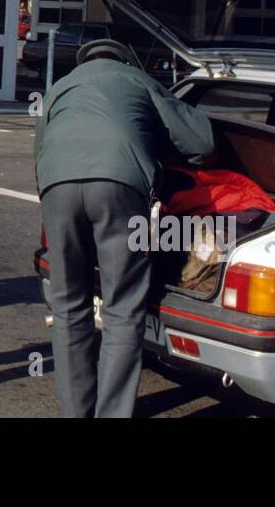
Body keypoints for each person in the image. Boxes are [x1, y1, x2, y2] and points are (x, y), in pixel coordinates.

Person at [35, 38, 215, 418]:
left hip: (57, 190)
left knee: (68, 308)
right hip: (120, 192)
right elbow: (201, 142)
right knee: (122, 310)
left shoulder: (60, 87)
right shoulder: (137, 80)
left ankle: (76, 412)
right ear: (126, 59)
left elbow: (40, 150)